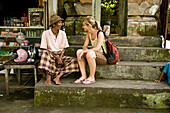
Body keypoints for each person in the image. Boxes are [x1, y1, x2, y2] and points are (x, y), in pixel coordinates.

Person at [38, 13, 79, 85]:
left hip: (60, 55)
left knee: (74, 61)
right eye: (59, 23)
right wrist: (56, 58)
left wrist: (60, 58)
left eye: (61, 22)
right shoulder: (46, 33)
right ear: (53, 24)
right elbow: (45, 48)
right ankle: (48, 77)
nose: (61, 24)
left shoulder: (62, 33)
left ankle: (58, 77)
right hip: (50, 55)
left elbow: (63, 48)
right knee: (44, 54)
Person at [74, 16, 107, 84]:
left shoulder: (100, 33)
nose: (83, 27)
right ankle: (83, 76)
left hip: (103, 57)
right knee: (79, 52)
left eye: (84, 25)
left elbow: (97, 48)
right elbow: (84, 46)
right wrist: (84, 50)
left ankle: (92, 77)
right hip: (94, 55)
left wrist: (86, 51)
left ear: (89, 25)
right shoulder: (88, 34)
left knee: (90, 53)